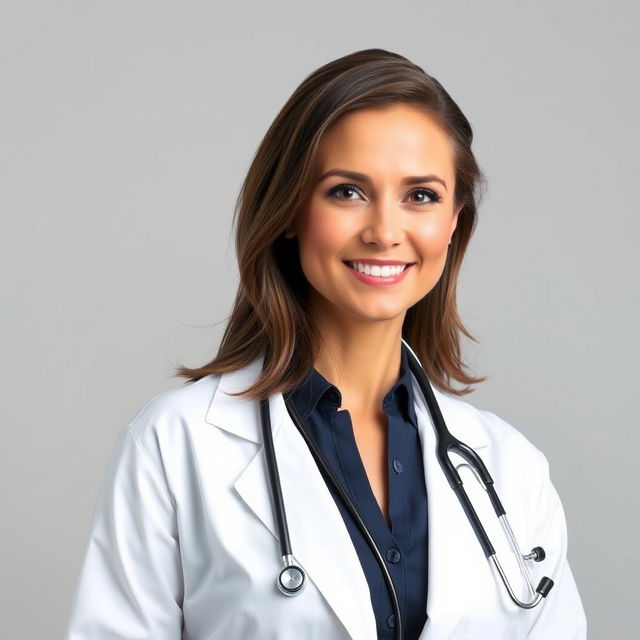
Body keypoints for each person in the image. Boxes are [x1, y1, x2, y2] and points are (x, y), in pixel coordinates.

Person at [64, 48, 587, 639]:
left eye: (421, 196)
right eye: (347, 192)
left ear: (454, 222)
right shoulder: (175, 444)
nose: (385, 232)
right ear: (290, 209)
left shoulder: (511, 468)